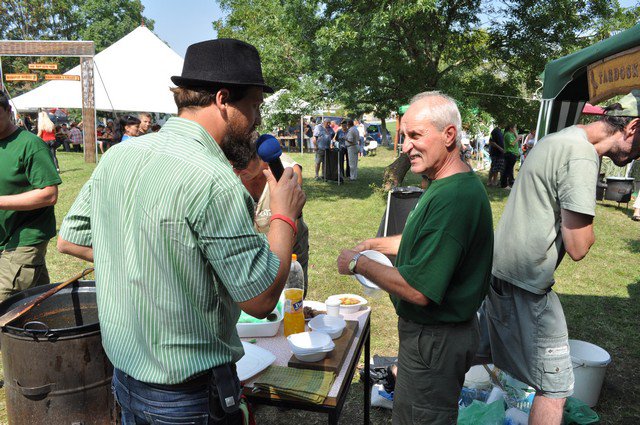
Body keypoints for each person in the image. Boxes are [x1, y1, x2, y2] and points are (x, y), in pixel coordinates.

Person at [57, 38, 305, 424]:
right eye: (255, 105)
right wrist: (284, 216)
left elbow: (71, 239)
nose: (257, 120)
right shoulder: (214, 179)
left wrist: (158, 257)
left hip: (125, 379)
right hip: (188, 398)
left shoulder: (119, 155)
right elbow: (259, 300)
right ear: (223, 99)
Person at [477, 90, 640, 425]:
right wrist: (590, 230)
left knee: (472, 353)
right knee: (555, 387)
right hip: (527, 286)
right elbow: (579, 246)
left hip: (498, 274)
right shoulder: (581, 155)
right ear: (633, 127)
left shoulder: (559, 138)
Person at [337, 91, 493, 424]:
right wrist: (377, 245)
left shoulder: (454, 197)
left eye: (415, 135)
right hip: (432, 339)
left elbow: (419, 289)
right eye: (404, 136)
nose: (406, 146)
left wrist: (357, 263)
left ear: (449, 135)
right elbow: (430, 241)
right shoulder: (445, 182)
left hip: (436, 340)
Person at [0, 92, 61, 302]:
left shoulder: (31, 144)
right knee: (39, 302)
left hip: (25, 238)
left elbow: (49, 194)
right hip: (4, 237)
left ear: (8, 111)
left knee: (5, 303)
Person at [232, 147, 310, 295]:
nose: (237, 170)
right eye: (234, 164)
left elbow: (292, 230)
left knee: (290, 299)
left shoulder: (286, 171)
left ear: (261, 157)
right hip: (253, 251)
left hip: (289, 250)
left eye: (243, 164)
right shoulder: (232, 172)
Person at [501, 124, 520, 189]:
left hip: (513, 154)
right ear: (510, 128)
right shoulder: (508, 134)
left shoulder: (512, 134)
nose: (516, 129)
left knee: (510, 170)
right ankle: (504, 185)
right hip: (509, 154)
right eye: (515, 127)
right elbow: (512, 144)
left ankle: (510, 182)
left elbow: (517, 139)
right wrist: (517, 138)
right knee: (507, 169)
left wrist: (516, 135)